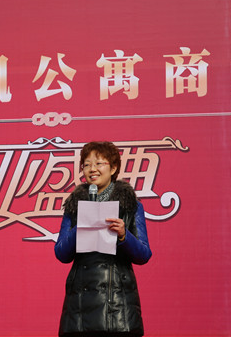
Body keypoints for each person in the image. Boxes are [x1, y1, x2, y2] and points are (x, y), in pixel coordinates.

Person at [54, 141, 152, 337]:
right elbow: (61, 253)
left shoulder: (130, 205)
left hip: (117, 303)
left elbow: (144, 254)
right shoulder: (74, 205)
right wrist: (80, 227)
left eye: (99, 163)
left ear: (113, 168)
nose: (92, 169)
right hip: (80, 305)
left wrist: (124, 235)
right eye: (87, 164)